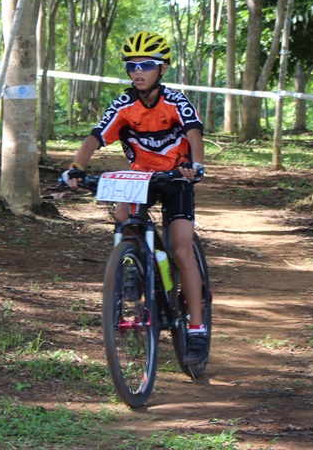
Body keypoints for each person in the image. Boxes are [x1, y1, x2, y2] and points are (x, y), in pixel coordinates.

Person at [62, 31, 208, 365]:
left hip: (177, 176)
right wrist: (75, 167)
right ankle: (133, 264)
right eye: (132, 66)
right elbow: (96, 137)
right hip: (141, 177)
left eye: (146, 65)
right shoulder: (124, 104)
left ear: (162, 69)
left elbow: (193, 133)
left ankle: (197, 328)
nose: (138, 72)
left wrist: (196, 165)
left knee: (181, 247)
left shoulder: (176, 101)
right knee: (123, 216)